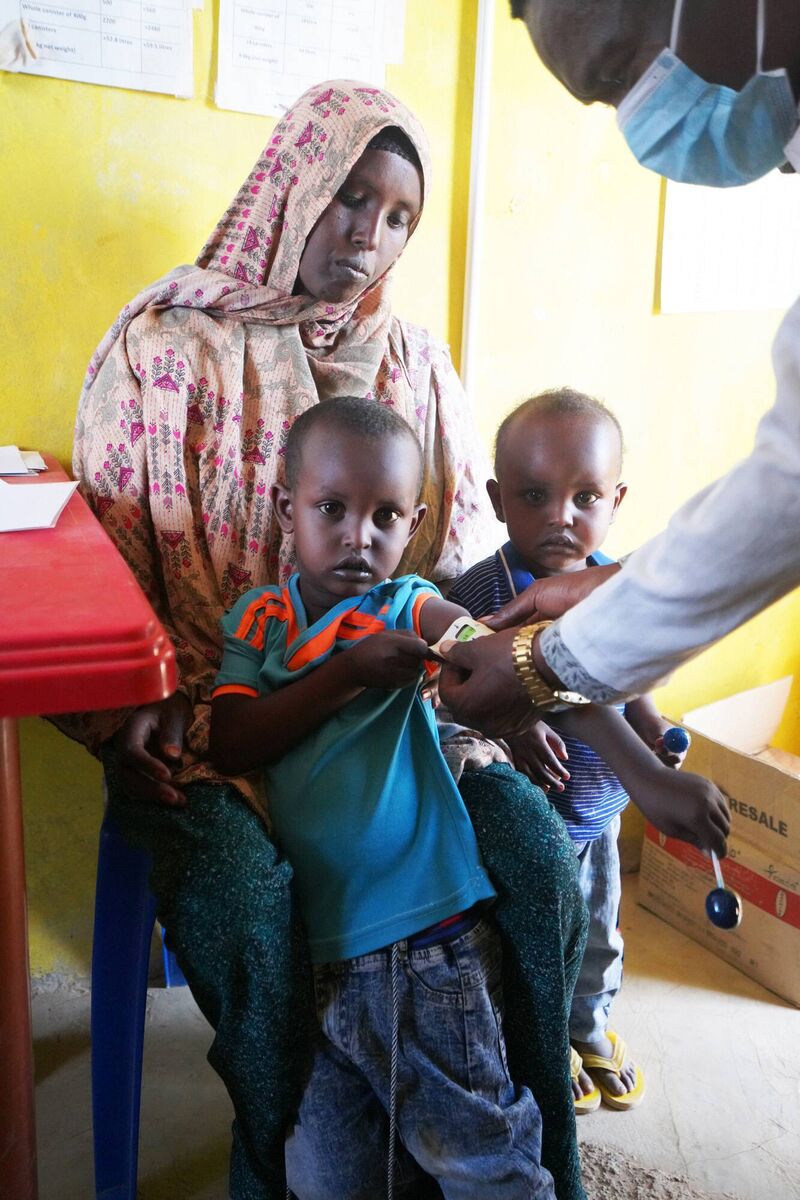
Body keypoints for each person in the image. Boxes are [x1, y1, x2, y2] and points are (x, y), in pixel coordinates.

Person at [56, 80, 588, 1199]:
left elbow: (462, 576)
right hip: (213, 720)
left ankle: (543, 1157)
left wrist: (511, 687)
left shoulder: (413, 363)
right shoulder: (166, 348)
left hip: (402, 717)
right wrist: (128, 705)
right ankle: (279, 1167)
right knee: (252, 911)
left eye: (397, 214)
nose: (368, 234)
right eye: (349, 196)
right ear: (291, 181)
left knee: (541, 861)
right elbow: (101, 557)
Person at [211, 397, 559, 1198]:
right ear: (286, 508)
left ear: (417, 522)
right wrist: (344, 674)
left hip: (427, 943)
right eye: (331, 508)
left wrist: (517, 696)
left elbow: (478, 647)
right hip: (321, 960)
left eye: (386, 515)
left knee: (485, 1161)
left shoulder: (405, 606)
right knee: (330, 1178)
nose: (358, 536)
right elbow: (232, 742)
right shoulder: (259, 622)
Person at [438, 0, 800, 757]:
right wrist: (606, 593)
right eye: (608, 97)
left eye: (620, 69)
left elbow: (787, 490)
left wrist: (550, 662)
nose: (639, 119)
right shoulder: (481, 590)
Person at [448, 388, 695, 1114]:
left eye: (585, 496)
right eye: (535, 495)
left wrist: (652, 728)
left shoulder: (619, 587)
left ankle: (588, 1028)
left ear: (616, 499)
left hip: (602, 811)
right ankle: (540, 1038)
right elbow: (450, 694)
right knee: (530, 943)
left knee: (598, 940)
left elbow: (631, 673)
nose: (561, 516)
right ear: (497, 499)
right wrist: (517, 718)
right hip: (530, 826)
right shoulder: (480, 596)